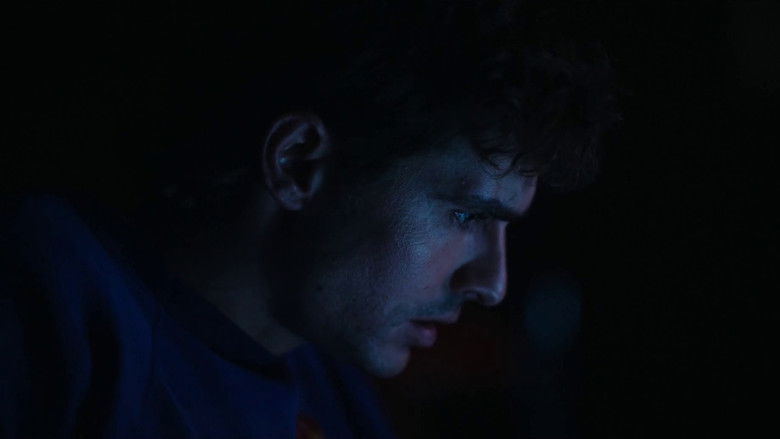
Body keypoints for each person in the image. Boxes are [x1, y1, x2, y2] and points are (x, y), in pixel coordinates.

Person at [1, 1, 618, 437]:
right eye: (465, 213)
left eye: (506, 228)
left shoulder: (332, 384)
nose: (492, 283)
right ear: (299, 163)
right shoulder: (54, 296)